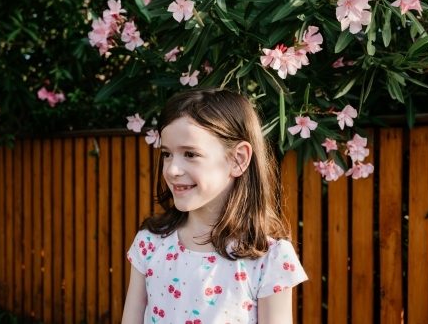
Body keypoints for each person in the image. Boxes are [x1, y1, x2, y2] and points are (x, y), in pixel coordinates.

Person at [122, 87, 307, 324]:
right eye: (167, 154)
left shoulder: (268, 258)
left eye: (190, 154)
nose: (171, 170)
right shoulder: (149, 243)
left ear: (238, 159)